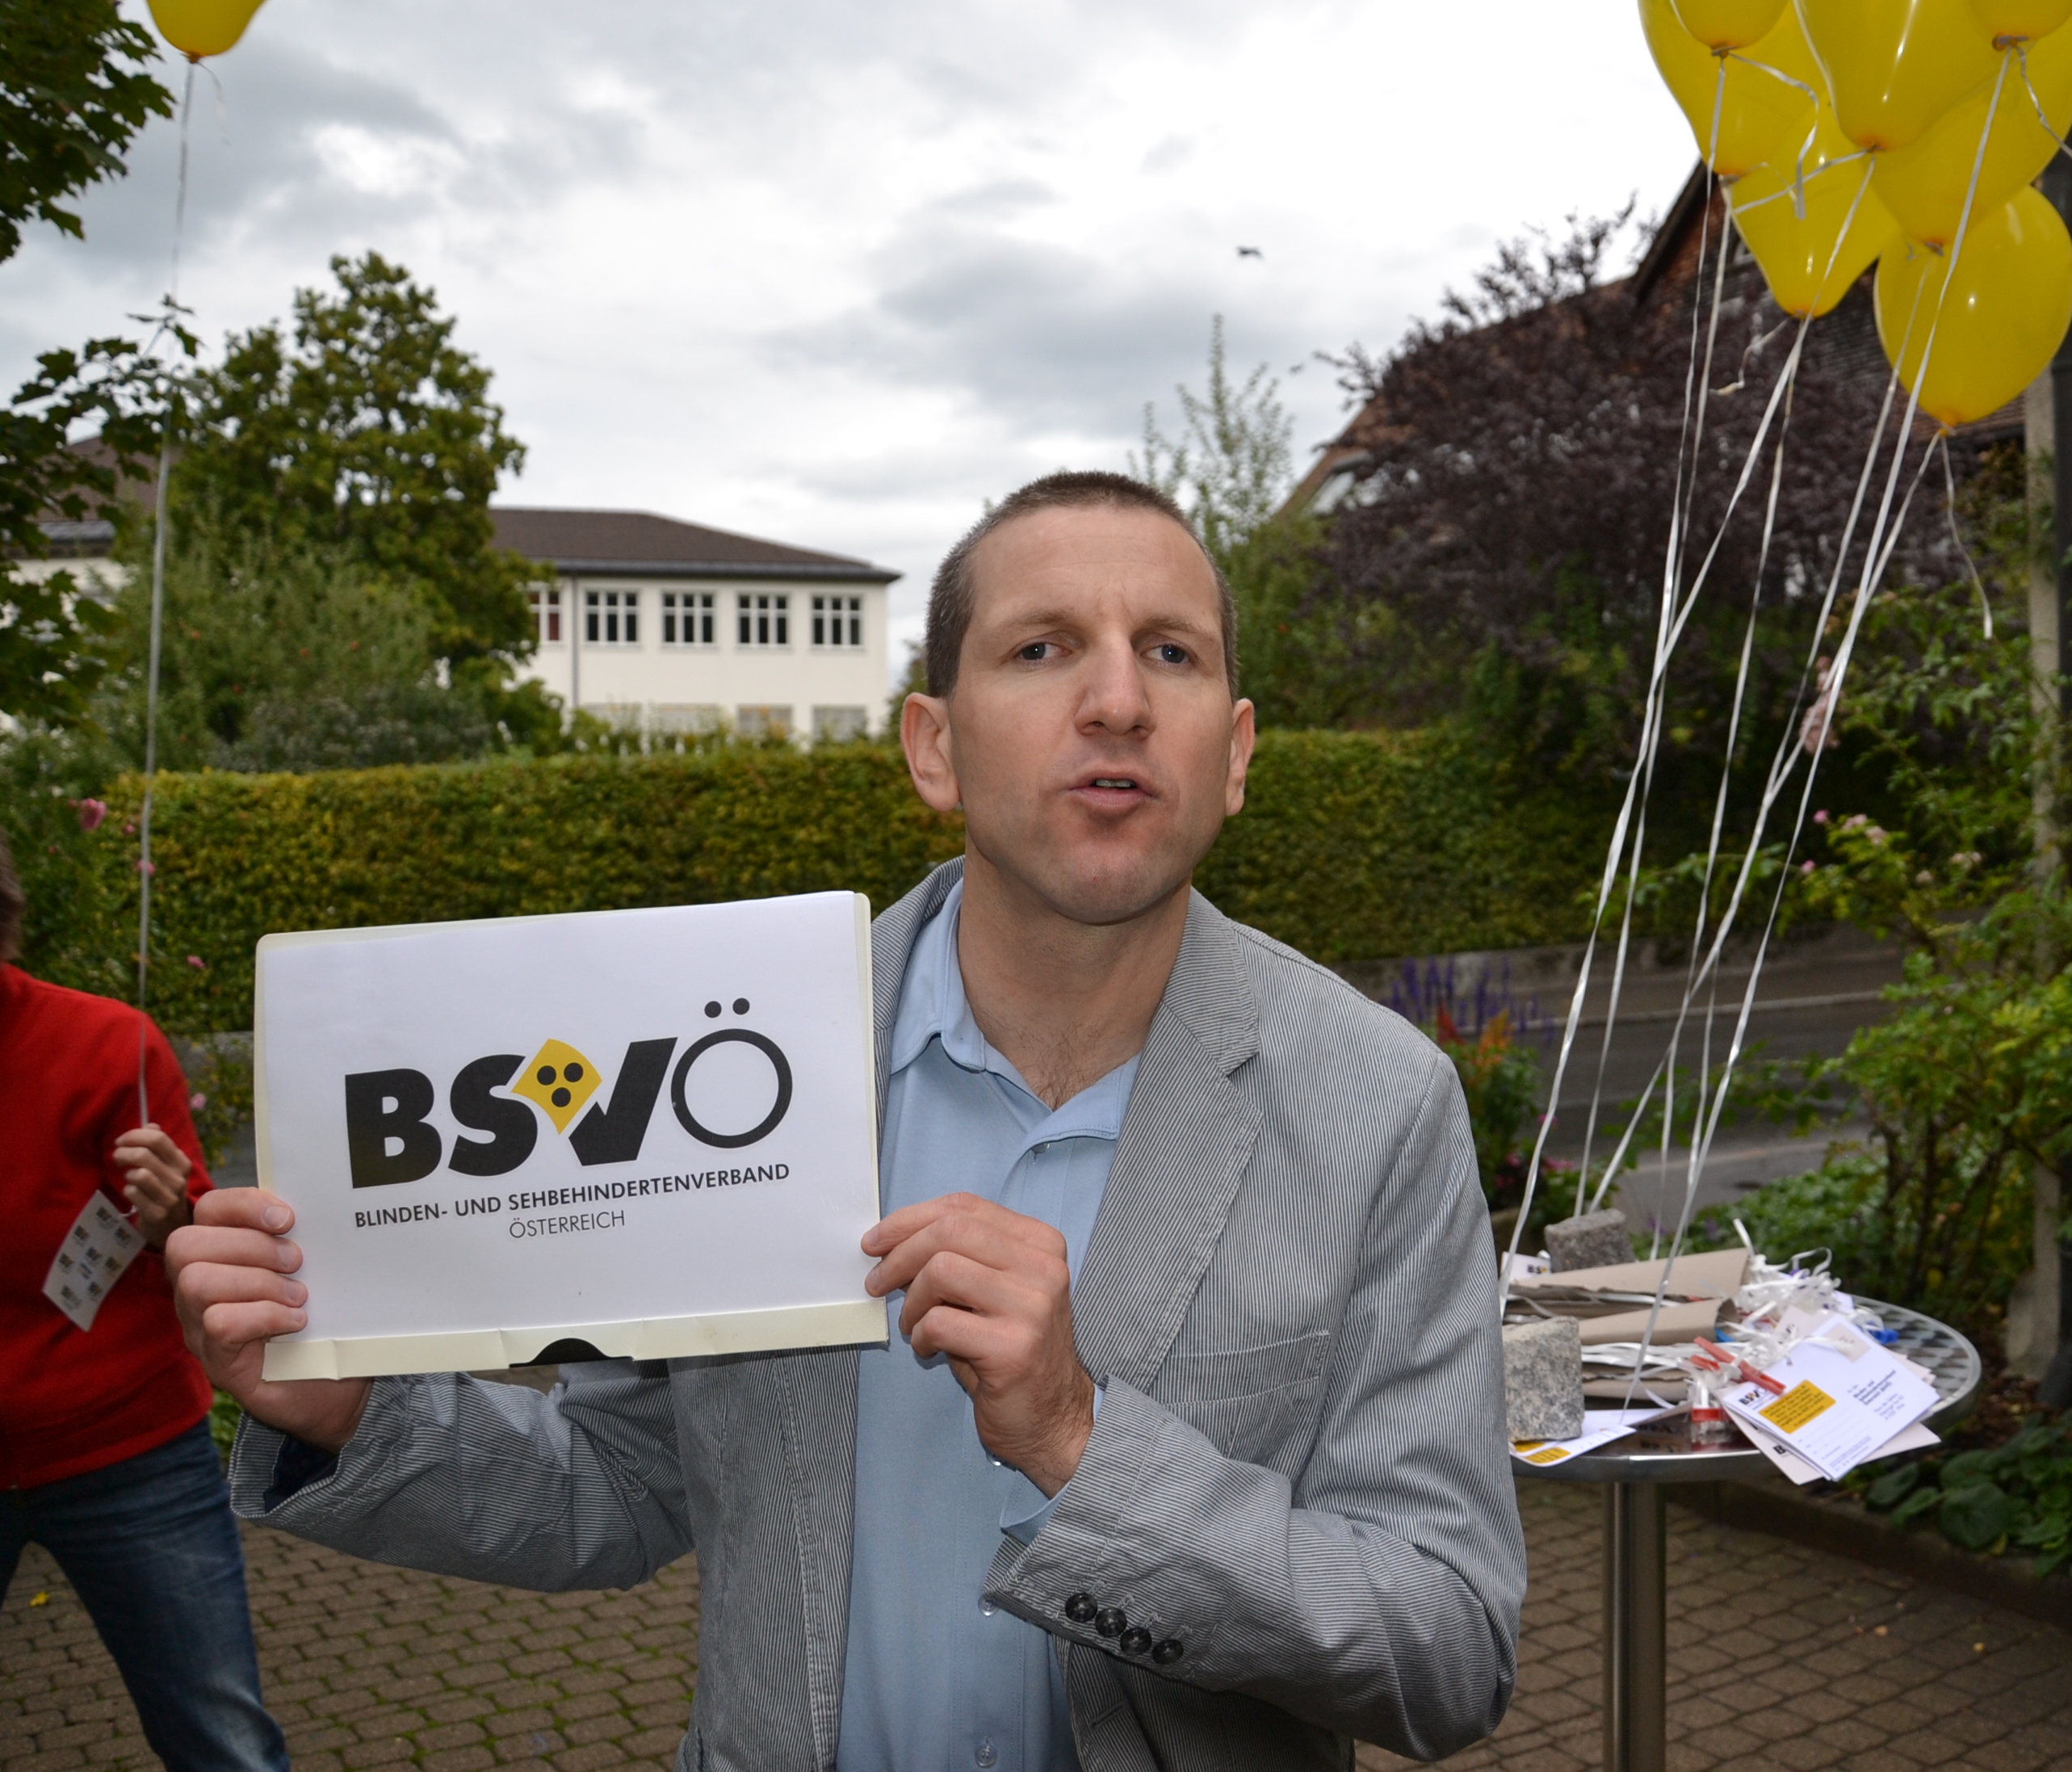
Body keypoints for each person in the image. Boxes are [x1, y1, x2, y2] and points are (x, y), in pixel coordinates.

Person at [170, 472, 1524, 1770]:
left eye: (1170, 652)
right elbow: (620, 1476)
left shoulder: (1379, 1105)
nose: (1117, 699)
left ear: (1232, 753)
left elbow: (1449, 1644)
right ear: (934, 746)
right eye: (1043, 647)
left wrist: (1081, 1442)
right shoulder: (728, 1069)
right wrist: (360, 1413)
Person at [0, 803, 290, 1772]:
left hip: (130, 1451)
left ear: (0, 935)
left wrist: (173, 1216)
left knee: (220, 1738)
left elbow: (197, 1250)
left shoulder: (107, 1045)